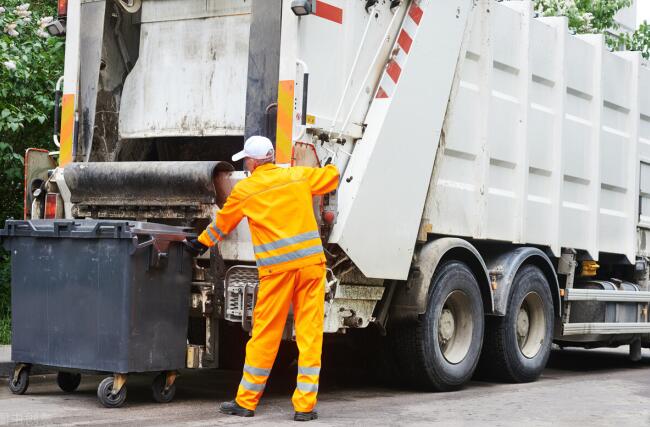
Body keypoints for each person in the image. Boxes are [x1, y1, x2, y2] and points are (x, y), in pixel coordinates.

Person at [185, 135, 339, 422]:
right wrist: (331, 163)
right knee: (309, 335)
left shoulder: (247, 189)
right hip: (311, 268)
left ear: (254, 162)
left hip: (277, 273)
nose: (246, 163)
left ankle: (246, 402)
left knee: (265, 336)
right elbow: (331, 178)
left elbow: (223, 223)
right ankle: (304, 407)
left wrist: (200, 243)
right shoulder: (298, 176)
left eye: (246, 159)